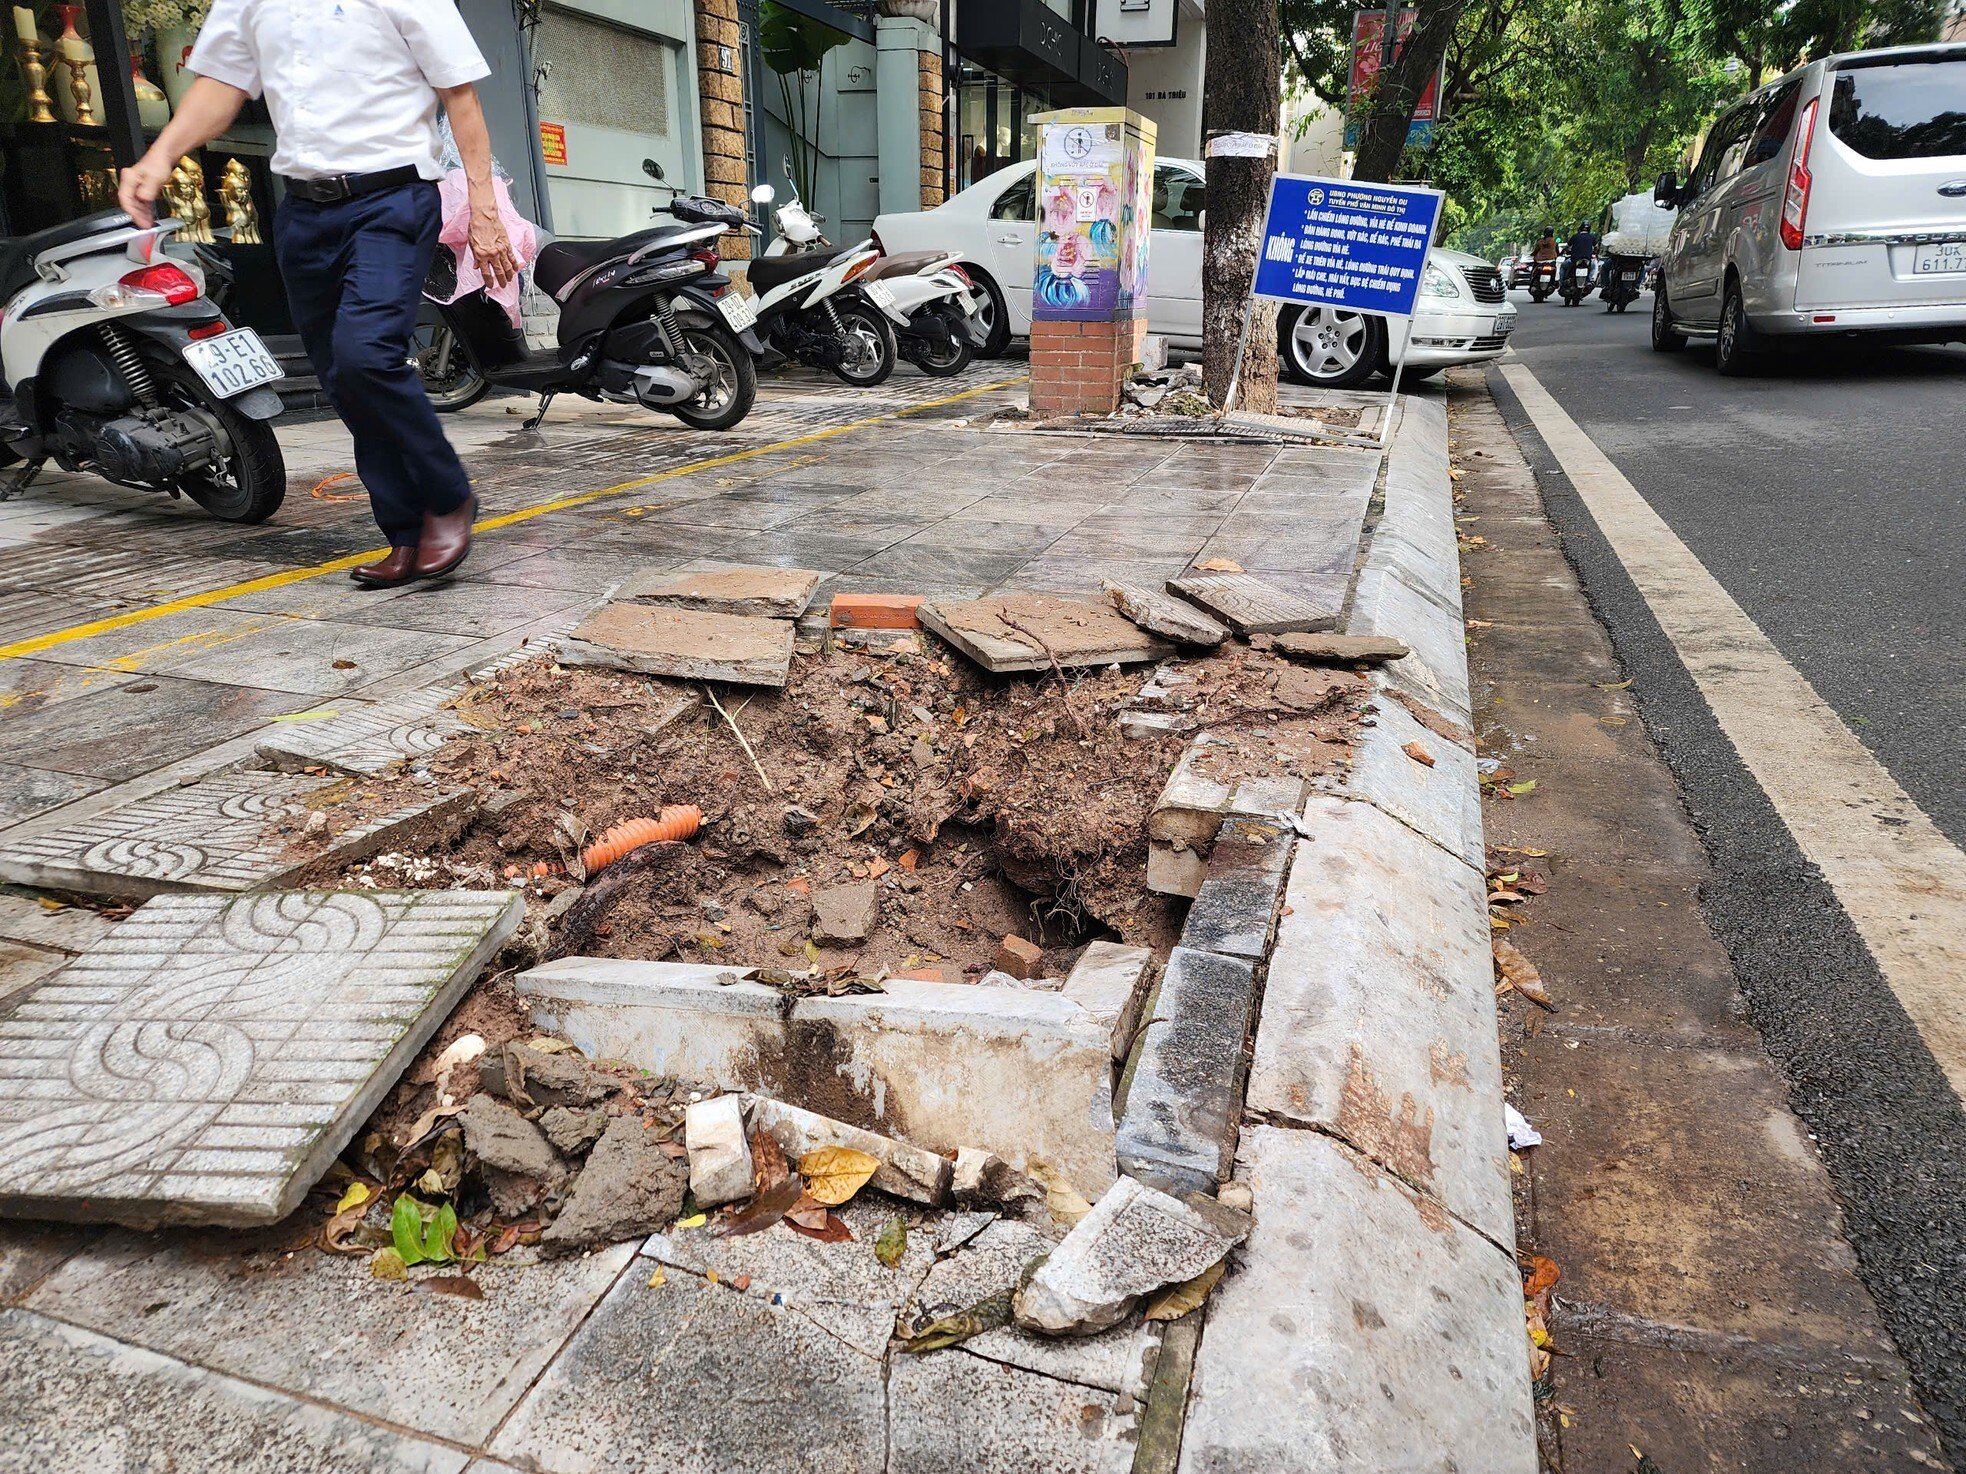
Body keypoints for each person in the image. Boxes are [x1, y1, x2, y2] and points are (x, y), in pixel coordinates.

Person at [116, 1, 518, 589]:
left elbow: (460, 95)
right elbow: (222, 86)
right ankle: (404, 532)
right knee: (340, 377)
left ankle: (449, 494)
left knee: (366, 354)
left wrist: (484, 208)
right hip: (303, 212)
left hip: (392, 199)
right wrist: (158, 156)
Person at [1564, 218, 1599, 300]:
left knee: (1563, 266)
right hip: (1587, 260)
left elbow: (1567, 247)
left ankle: (1562, 282)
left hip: (1575, 260)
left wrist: (1566, 251)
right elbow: (1597, 247)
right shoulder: (1592, 237)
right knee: (1594, 267)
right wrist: (1595, 252)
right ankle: (1590, 280)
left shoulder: (1575, 236)